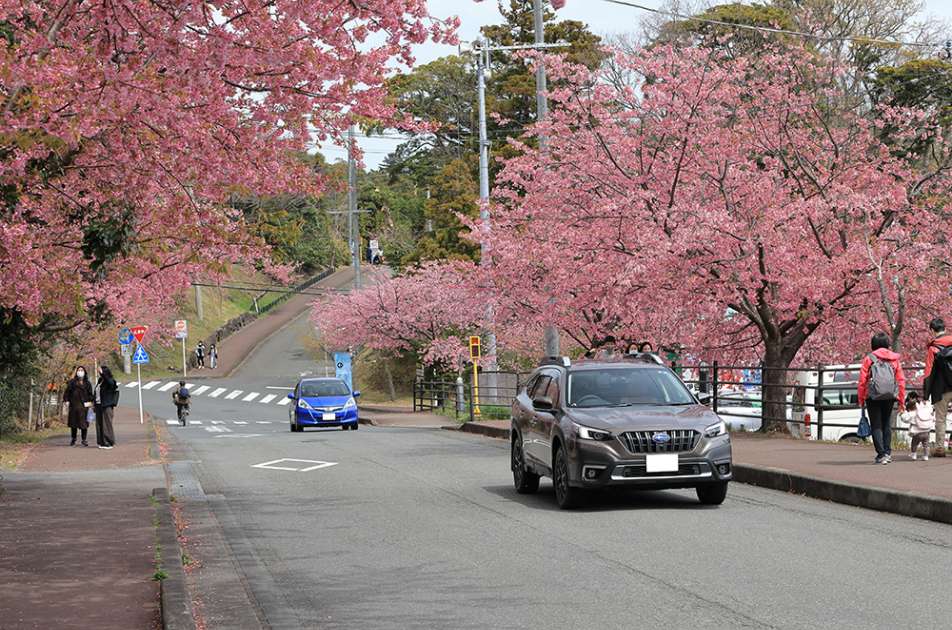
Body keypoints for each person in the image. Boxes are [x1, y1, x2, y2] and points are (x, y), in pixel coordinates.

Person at [857, 332, 906, 465]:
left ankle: (881, 454)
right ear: (887, 344)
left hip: (872, 396)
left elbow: (862, 380)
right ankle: (888, 452)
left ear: (873, 344)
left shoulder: (869, 359)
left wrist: (861, 398)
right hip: (890, 396)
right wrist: (901, 399)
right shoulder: (894, 359)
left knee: (876, 425)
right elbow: (901, 380)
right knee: (886, 424)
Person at [923, 317, 952, 457]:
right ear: (945, 328)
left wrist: (926, 394)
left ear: (932, 331)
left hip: (941, 389)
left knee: (941, 418)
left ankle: (940, 448)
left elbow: (928, 372)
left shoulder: (933, 348)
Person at [63, 366, 93, 446]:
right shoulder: (72, 382)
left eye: (82, 370)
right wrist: (66, 401)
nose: (80, 371)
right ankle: (73, 438)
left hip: (84, 407)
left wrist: (90, 402)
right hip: (74, 406)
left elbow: (90, 394)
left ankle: (84, 439)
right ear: (76, 372)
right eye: (79, 370)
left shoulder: (87, 383)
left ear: (84, 372)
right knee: (73, 424)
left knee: (84, 424)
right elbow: (67, 392)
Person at [900, 392, 934, 461]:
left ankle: (914, 454)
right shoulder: (924, 410)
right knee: (926, 445)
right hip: (926, 432)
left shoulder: (912, 413)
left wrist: (903, 413)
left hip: (917, 433)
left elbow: (904, 419)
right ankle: (925, 456)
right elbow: (931, 414)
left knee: (914, 444)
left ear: (909, 408)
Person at [94, 366, 119, 449]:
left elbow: (111, 384)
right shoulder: (100, 380)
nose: (99, 373)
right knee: (99, 424)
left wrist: (103, 373)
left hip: (106, 405)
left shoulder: (111, 381)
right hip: (98, 405)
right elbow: (96, 392)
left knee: (106, 424)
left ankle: (109, 442)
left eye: (101, 371)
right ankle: (101, 441)